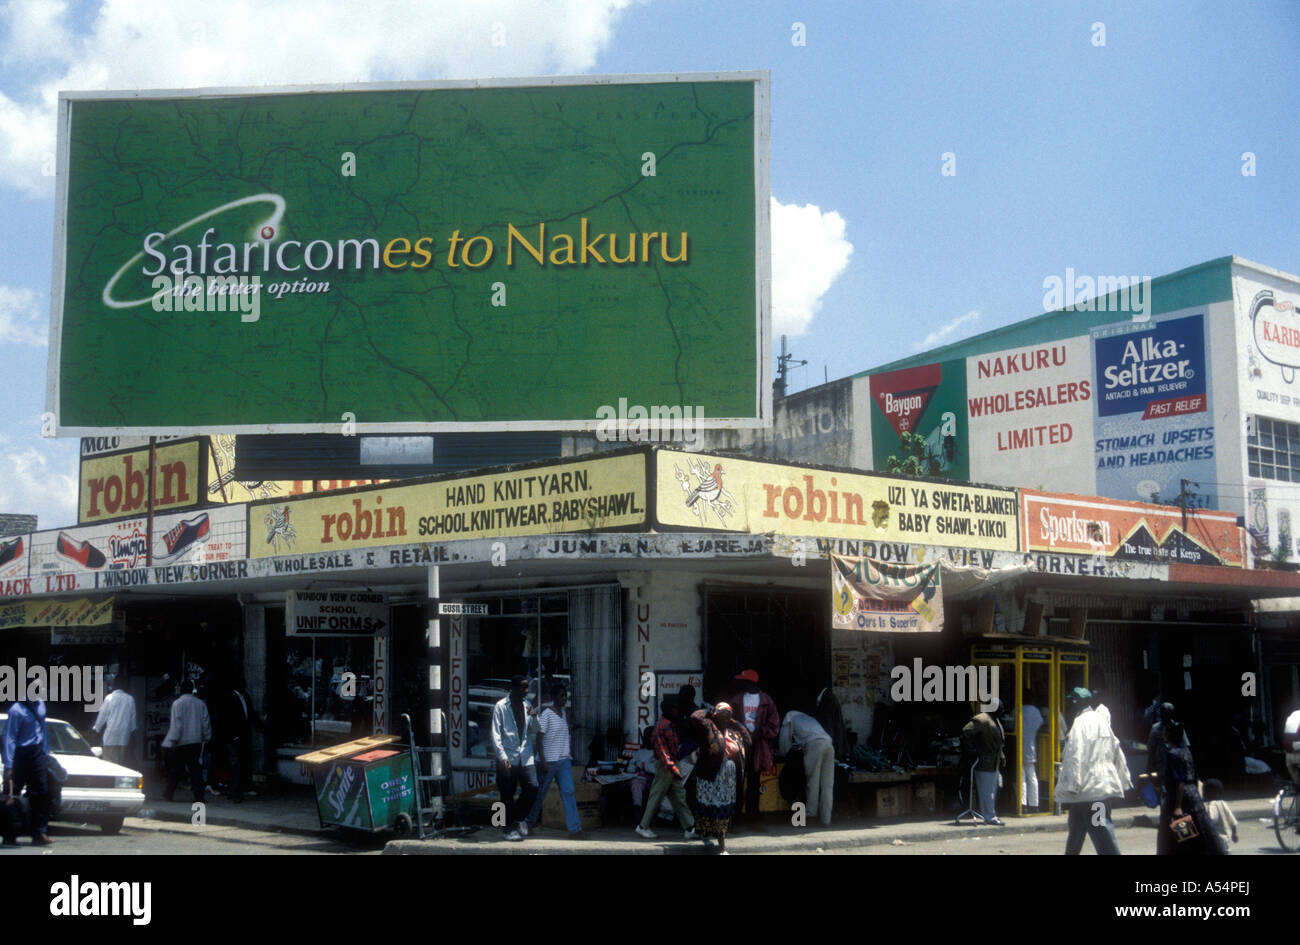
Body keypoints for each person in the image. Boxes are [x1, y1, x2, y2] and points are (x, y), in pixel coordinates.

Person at [1055, 687, 1129, 855]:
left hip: (1089, 790)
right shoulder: (1101, 720)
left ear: (1075, 704)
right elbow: (1116, 750)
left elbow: (1075, 757)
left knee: (1101, 828)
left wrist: (1072, 786)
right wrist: (1123, 779)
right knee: (1076, 827)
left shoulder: (1079, 724)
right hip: (1097, 787)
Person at [689, 702, 749, 853]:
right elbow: (694, 717)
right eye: (723, 715)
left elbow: (748, 740)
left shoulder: (732, 732)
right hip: (710, 775)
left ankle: (718, 844)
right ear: (716, 715)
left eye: (729, 715)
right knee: (708, 808)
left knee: (723, 809)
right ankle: (721, 847)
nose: (726, 718)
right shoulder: (707, 726)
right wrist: (710, 711)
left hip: (727, 778)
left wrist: (735, 722)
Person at [635, 698, 696, 840]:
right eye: (674, 708)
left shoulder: (668, 725)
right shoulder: (661, 727)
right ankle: (643, 826)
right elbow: (663, 753)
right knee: (657, 795)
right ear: (668, 710)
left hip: (671, 764)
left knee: (678, 796)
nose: (677, 711)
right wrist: (674, 769)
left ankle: (690, 827)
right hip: (666, 766)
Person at [525, 684, 581, 835]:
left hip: (563, 761)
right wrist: (542, 761)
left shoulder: (562, 714)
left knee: (568, 792)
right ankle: (528, 823)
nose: (564, 699)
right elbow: (539, 739)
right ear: (553, 697)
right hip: (548, 761)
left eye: (565, 696)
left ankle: (575, 829)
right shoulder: (547, 714)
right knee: (540, 794)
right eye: (561, 696)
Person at [1160, 721, 1224, 855]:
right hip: (1193, 796)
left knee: (1181, 833)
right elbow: (1194, 775)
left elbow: (1179, 781)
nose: (1163, 733)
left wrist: (1177, 806)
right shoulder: (1186, 751)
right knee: (1199, 830)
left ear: (1170, 735)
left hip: (1180, 798)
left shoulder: (1172, 754)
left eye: (1165, 731)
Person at [489, 675, 539, 842]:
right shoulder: (501, 706)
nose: (526, 691)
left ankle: (517, 820)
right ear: (514, 688)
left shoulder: (528, 705)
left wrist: (534, 716)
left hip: (525, 755)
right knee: (507, 794)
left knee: (532, 787)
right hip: (508, 756)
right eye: (523, 688)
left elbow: (535, 730)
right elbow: (495, 734)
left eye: (527, 687)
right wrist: (502, 757)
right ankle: (507, 828)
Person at [729, 669, 779, 820]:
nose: (741, 683)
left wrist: (760, 732)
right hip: (741, 745)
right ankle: (736, 816)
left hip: (758, 746)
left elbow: (774, 724)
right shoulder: (736, 700)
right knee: (738, 781)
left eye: (743, 680)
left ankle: (752, 816)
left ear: (750, 682)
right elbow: (728, 721)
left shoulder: (766, 701)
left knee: (754, 781)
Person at [2, 698, 52, 845]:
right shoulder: (16, 709)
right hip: (20, 753)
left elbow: (43, 727)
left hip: (37, 752)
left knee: (41, 792)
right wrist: (9, 764)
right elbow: (10, 737)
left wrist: (45, 751)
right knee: (12, 793)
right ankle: (9, 834)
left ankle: (39, 833)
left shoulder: (41, 705)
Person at [778, 709, 835, 826]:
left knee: (813, 782)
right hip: (829, 745)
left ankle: (811, 814)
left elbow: (784, 744)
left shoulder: (789, 720)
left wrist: (783, 753)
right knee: (827, 785)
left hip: (814, 746)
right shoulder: (809, 719)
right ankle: (826, 819)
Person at [1147, 701, 1190, 855]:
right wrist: (1151, 772)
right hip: (1163, 773)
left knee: (1176, 815)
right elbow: (1151, 751)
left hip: (1174, 781)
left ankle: (1181, 845)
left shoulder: (1175, 753)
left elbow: (1179, 781)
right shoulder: (1155, 729)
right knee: (1169, 815)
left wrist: (1178, 805)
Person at [162, 679, 211, 804]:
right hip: (196, 741)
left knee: (176, 770)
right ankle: (199, 796)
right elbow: (206, 723)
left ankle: (169, 793)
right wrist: (206, 736)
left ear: (181, 690)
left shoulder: (177, 704)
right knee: (195, 770)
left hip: (181, 742)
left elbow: (176, 724)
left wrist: (172, 741)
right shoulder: (200, 703)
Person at [961, 699, 1005, 825]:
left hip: (994, 762)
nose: (1002, 710)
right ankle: (989, 817)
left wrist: (1001, 756)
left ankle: (990, 815)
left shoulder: (995, 720)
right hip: (984, 762)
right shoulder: (981, 719)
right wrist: (973, 751)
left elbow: (999, 742)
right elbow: (966, 732)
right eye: (999, 707)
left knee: (993, 790)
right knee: (987, 791)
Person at [92, 674, 137, 766]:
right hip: (124, 737)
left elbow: (102, 716)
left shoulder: (109, 698)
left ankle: (107, 780)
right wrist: (132, 733)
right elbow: (133, 720)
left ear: (114, 685)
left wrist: (96, 728)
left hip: (110, 736)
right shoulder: (130, 699)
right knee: (120, 763)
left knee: (108, 763)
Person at [1020, 700, 1045, 812]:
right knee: (1032, 776)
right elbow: (1040, 722)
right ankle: (1034, 804)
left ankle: (1022, 804)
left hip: (1019, 746)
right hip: (1031, 746)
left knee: (1021, 776)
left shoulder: (1018, 710)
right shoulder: (1035, 711)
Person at [1202, 778, 1238, 853]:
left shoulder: (1203, 806)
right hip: (1217, 841)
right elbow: (1233, 821)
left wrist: (1234, 833)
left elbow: (1231, 820)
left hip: (1214, 840)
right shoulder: (1220, 804)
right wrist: (1234, 834)